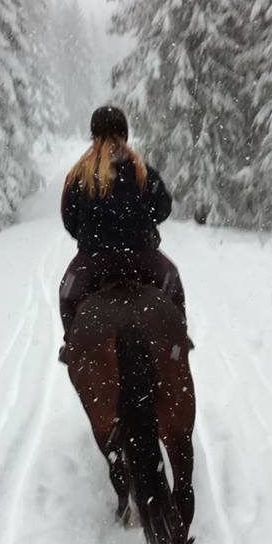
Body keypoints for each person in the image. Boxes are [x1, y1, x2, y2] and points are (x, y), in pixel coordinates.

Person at [58, 106, 188, 362]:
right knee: (172, 282)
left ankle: (73, 347)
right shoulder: (142, 170)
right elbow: (163, 208)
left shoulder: (79, 175)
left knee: (67, 294)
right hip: (142, 257)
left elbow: (70, 221)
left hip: (93, 261)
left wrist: (93, 237)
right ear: (124, 134)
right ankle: (177, 342)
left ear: (94, 135)